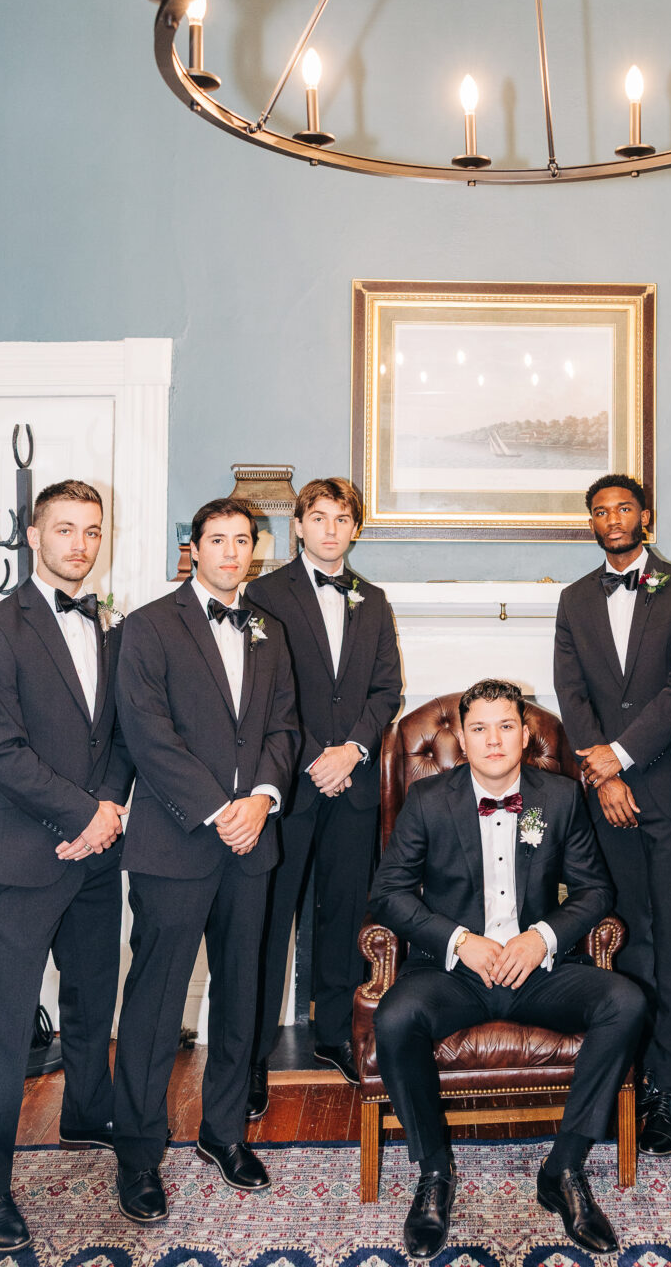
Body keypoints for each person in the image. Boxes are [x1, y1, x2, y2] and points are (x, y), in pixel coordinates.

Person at [370, 678, 646, 1258]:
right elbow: (389, 894)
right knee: (395, 1018)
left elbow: (595, 892)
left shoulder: (561, 798)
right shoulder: (427, 801)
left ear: (525, 735)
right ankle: (434, 1174)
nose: (493, 740)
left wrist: (541, 938)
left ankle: (564, 1170)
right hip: (454, 974)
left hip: (538, 972)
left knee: (626, 1002)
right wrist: (459, 940)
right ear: (462, 743)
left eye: (505, 726)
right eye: (478, 729)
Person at [111, 497, 298, 1225]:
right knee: (156, 1006)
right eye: (215, 540)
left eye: (241, 540)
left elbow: (285, 725)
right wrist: (220, 809)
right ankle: (137, 1153)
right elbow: (147, 734)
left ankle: (223, 1135)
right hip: (176, 843)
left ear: (255, 550)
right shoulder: (149, 627)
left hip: (253, 843)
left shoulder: (268, 630)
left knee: (242, 995)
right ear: (194, 548)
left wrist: (260, 799)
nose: (229, 552)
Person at [0, 480, 132, 1253]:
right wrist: (79, 816)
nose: (79, 544)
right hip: (26, 852)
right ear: (33, 537)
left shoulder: (112, 626)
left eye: (91, 531)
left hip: (98, 854)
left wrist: (104, 814)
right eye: (64, 529)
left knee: (92, 1001)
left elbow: (120, 736)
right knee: (1, 1027)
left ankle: (85, 1115)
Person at [553, 474, 671, 1155]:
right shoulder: (573, 599)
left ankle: (670, 1090)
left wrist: (620, 757)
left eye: (623, 507)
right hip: (603, 794)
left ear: (644, 515)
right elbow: (571, 690)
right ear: (589, 522)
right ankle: (630, 1073)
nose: (612, 518)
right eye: (600, 510)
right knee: (626, 934)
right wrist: (598, 768)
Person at [246, 477, 401, 1113]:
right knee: (268, 920)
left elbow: (387, 691)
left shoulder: (375, 598)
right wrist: (314, 757)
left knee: (345, 915)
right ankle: (250, 1054)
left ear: (355, 529)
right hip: (287, 782)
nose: (331, 528)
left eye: (343, 518)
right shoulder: (263, 594)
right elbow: (262, 689)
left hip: (354, 783)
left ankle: (334, 1033)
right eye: (319, 517)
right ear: (299, 527)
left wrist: (353, 751)